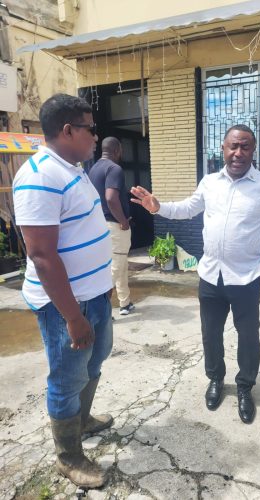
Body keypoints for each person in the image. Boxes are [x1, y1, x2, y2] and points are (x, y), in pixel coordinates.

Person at [131, 124, 260, 424]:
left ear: (253, 150)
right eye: (233, 146)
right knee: (210, 334)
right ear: (223, 148)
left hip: (246, 278)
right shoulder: (209, 183)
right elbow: (186, 209)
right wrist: (158, 207)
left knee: (248, 336)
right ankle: (216, 379)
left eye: (245, 146)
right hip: (210, 276)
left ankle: (245, 387)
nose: (238, 152)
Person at [13, 94, 114, 489]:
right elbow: (41, 256)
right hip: (65, 306)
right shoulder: (39, 176)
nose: (95, 137)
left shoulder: (72, 168)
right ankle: (68, 456)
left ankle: (82, 419)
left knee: (96, 358)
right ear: (68, 130)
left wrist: (102, 289)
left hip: (94, 293)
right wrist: (73, 317)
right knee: (66, 377)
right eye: (90, 128)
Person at [88, 137, 135, 316]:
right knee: (115, 268)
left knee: (120, 264)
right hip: (115, 226)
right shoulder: (114, 168)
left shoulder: (93, 169)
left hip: (100, 225)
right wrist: (123, 220)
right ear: (117, 150)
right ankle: (99, 311)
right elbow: (110, 198)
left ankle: (125, 302)